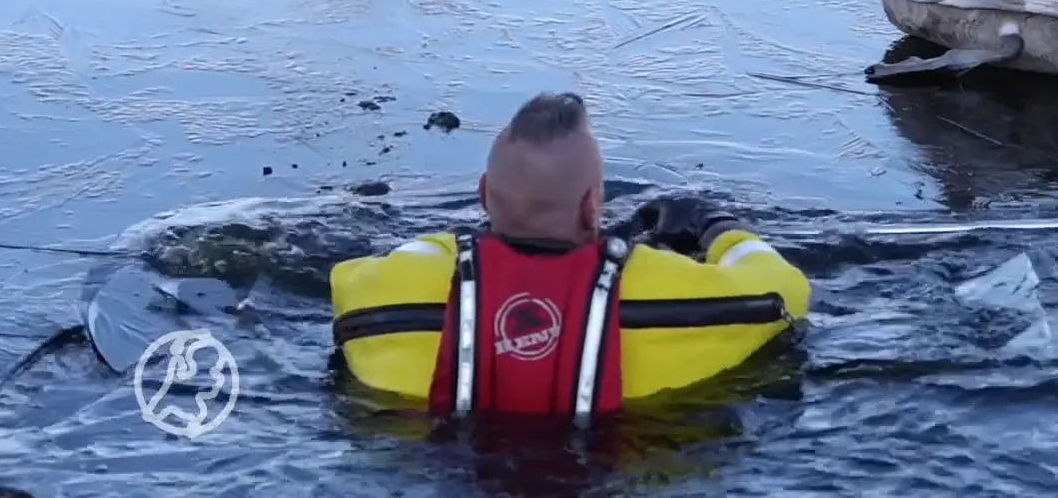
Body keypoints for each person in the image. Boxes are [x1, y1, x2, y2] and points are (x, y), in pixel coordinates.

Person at [329, 91, 811, 420]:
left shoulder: (382, 293)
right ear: (590, 206)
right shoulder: (669, 289)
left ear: (482, 194)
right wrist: (714, 225)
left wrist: (457, 242)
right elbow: (788, 292)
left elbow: (352, 277)